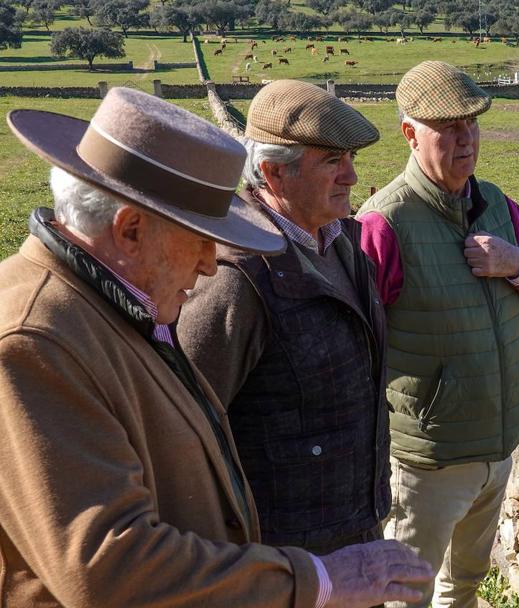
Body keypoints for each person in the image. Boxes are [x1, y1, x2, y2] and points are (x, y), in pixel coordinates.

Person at [0, 87, 431, 607]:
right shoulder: (33, 342)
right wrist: (313, 579)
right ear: (130, 230)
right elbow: (108, 568)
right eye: (199, 237)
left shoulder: (113, 308)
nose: (210, 263)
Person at [357, 61, 519, 608]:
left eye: (472, 124)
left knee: (466, 587)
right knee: (404, 595)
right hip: (428, 463)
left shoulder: (498, 206)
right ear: (410, 134)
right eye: (448, 128)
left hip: (499, 445)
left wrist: (516, 263)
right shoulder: (384, 222)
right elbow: (355, 346)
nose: (465, 139)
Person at [178, 79, 390, 555]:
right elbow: (186, 427)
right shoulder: (236, 277)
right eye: (333, 161)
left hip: (354, 529)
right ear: (273, 174)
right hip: (280, 558)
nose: (352, 177)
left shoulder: (342, 243)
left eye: (350, 158)